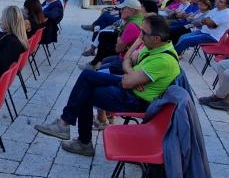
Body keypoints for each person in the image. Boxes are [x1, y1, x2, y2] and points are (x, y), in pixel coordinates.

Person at [35, 14, 180, 156]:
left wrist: (130, 73)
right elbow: (128, 58)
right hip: (131, 89)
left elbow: (127, 81)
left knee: (86, 90)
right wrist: (132, 68)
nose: (140, 36)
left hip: (136, 100)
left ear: (156, 38)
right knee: (86, 80)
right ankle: (69, 128)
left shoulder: (163, 60)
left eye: (143, 33)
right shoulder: (155, 46)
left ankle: (76, 135)